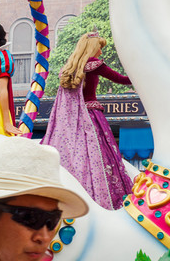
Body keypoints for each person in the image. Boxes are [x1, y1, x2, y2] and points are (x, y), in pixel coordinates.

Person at [42, 32, 132, 209]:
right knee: (100, 155)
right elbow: (122, 80)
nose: (100, 51)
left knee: (81, 155)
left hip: (74, 122)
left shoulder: (69, 68)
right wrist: (142, 72)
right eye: (99, 47)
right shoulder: (95, 65)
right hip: (91, 117)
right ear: (92, 47)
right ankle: (100, 194)